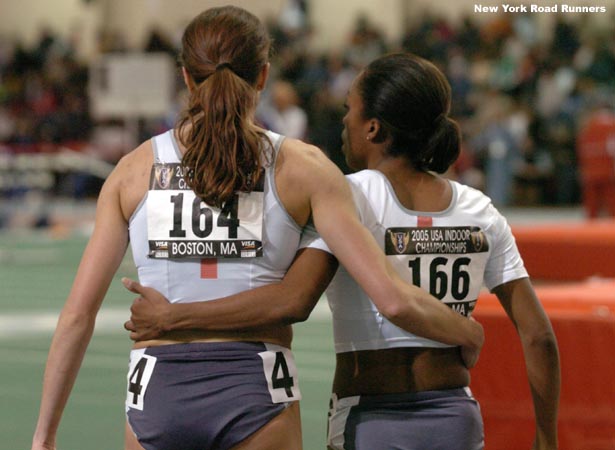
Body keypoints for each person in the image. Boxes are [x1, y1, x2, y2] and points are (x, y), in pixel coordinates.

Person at [31, 8, 483, 450]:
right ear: (263, 76)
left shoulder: (131, 172)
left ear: (186, 78)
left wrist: (44, 435)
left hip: (157, 389)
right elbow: (391, 297)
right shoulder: (306, 170)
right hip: (258, 390)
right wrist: (468, 332)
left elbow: (77, 315)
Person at [123, 53, 560, 450]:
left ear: (373, 128)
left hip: (370, 418)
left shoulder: (348, 197)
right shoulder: (480, 210)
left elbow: (291, 299)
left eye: (349, 110)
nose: (343, 121)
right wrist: (545, 437)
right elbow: (538, 336)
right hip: (455, 417)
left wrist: (172, 317)